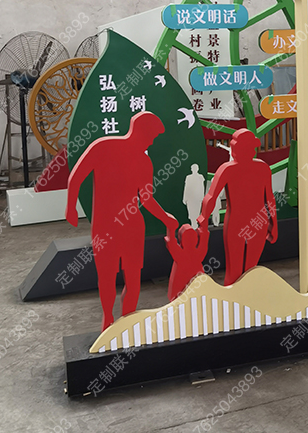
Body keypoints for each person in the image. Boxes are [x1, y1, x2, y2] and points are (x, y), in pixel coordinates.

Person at [66, 112, 178, 330]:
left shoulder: (143, 161)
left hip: (131, 226)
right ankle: (108, 320)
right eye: (151, 136)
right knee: (108, 276)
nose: (151, 142)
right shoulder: (103, 147)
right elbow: (76, 176)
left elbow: (146, 198)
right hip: (106, 226)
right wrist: (70, 207)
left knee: (132, 278)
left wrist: (166, 218)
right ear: (141, 131)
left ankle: (127, 322)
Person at [197, 128, 278, 286]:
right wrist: (273, 224)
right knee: (244, 269)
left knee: (244, 270)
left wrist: (203, 220)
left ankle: (242, 298)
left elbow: (211, 197)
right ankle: (242, 297)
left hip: (241, 223)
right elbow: (270, 199)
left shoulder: (230, 169)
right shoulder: (259, 168)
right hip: (253, 222)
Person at [165, 223, 209, 301]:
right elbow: (204, 239)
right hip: (184, 284)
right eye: (188, 238)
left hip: (193, 281)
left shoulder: (180, 253)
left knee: (196, 299)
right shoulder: (194, 253)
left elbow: (171, 242)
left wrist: (171, 229)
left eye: (192, 237)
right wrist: (203, 226)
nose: (190, 240)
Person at [182, 163, 206, 229]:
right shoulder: (188, 177)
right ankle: (193, 224)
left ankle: (195, 225)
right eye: (193, 168)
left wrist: (202, 197)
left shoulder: (200, 177)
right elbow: (186, 188)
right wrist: (185, 198)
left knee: (196, 211)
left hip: (197, 197)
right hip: (190, 198)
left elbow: (202, 187)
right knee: (191, 212)